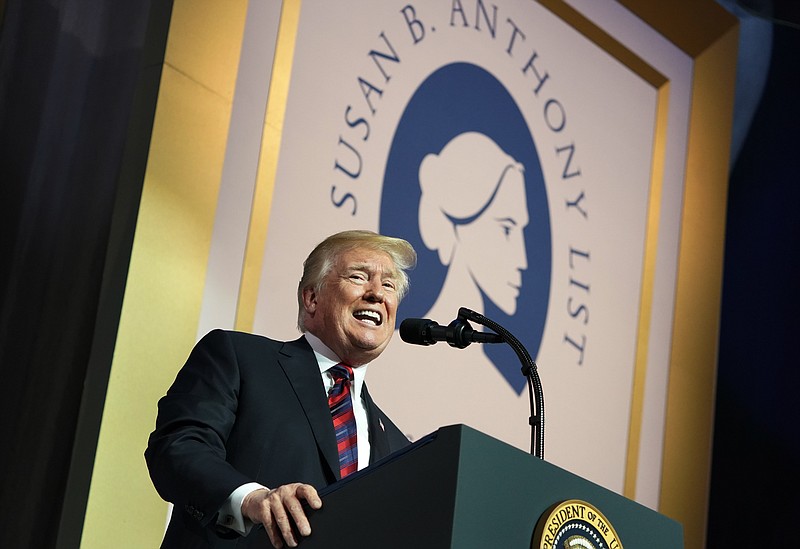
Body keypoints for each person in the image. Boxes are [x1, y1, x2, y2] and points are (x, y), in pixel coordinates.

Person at [145, 230, 417, 548]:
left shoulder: (398, 446)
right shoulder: (240, 358)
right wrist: (252, 499)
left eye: (388, 285)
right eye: (358, 277)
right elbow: (177, 447)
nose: (377, 294)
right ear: (311, 297)